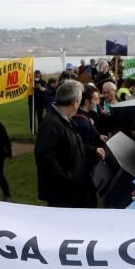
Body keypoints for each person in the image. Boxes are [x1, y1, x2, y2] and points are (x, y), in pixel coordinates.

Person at [34, 79, 104, 208]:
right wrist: (68, 178)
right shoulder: (51, 123)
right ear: (75, 102)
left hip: (73, 188)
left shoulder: (64, 118)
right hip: (63, 194)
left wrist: (92, 150)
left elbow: (71, 146)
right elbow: (45, 158)